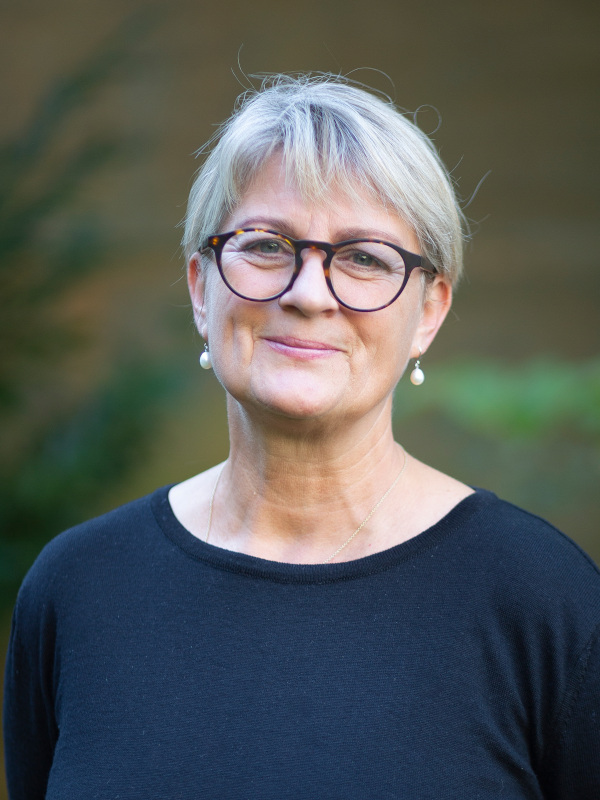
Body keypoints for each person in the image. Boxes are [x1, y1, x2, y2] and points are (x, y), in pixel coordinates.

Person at [4, 74, 599, 800]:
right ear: (200, 287)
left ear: (429, 312)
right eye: (266, 245)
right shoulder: (78, 588)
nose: (308, 294)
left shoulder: (543, 600)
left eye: (364, 257)